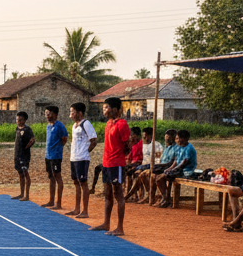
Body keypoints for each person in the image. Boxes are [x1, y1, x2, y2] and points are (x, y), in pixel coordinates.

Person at [90, 97, 130, 236]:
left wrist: (120, 156)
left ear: (114, 109)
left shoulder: (122, 124)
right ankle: (106, 223)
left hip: (116, 164)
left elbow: (127, 145)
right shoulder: (108, 124)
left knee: (118, 194)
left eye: (106, 108)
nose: (104, 110)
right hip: (106, 163)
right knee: (107, 194)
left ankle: (120, 227)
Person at [66, 102, 97, 217]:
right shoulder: (75, 126)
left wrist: (85, 152)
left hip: (82, 158)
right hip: (74, 158)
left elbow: (94, 140)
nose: (71, 115)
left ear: (79, 113)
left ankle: (85, 211)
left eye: (72, 112)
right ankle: (77, 209)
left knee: (83, 183)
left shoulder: (86, 124)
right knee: (76, 182)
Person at [155, 129, 198, 208]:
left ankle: (167, 199)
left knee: (160, 178)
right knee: (158, 177)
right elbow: (175, 160)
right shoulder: (178, 147)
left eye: (178, 138)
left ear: (184, 139)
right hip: (178, 169)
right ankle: (165, 198)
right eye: (176, 138)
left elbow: (183, 163)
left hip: (186, 170)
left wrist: (173, 170)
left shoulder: (189, 148)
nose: (176, 140)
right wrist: (170, 168)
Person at [126, 127, 168, 203]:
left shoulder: (156, 145)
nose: (144, 137)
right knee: (136, 173)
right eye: (143, 136)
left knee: (139, 173)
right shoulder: (143, 145)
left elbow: (158, 159)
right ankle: (142, 194)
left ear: (151, 135)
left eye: (146, 135)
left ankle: (132, 195)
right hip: (143, 165)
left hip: (153, 166)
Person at [41, 105, 68, 210]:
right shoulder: (48, 126)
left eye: (49, 113)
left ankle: (59, 203)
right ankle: (51, 201)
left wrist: (57, 150)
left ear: (55, 114)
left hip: (56, 156)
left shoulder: (60, 126)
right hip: (48, 156)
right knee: (51, 177)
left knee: (57, 177)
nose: (47, 115)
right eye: (46, 113)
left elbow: (64, 140)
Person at [12, 111, 35, 201]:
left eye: (20, 120)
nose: (18, 121)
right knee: (20, 174)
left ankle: (27, 195)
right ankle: (21, 194)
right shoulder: (17, 129)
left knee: (25, 173)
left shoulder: (27, 129)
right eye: (17, 119)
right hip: (17, 154)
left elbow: (32, 140)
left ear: (24, 120)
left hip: (24, 156)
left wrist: (26, 147)